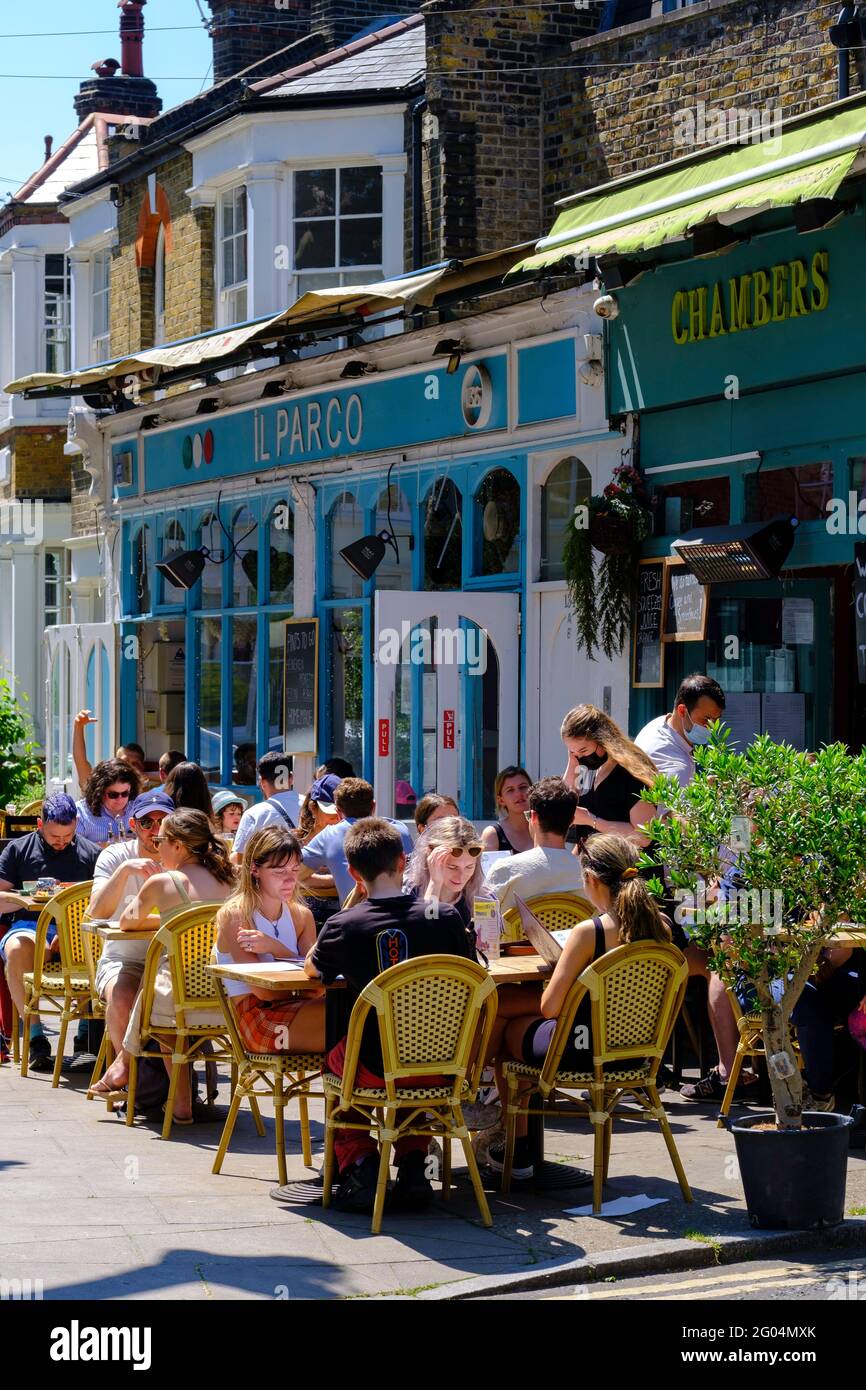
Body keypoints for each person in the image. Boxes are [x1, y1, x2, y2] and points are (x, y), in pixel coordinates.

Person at [303, 818, 475, 1212]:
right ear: (403, 861)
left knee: (336, 1064)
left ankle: (360, 1163)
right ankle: (414, 1163)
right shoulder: (445, 917)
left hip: (374, 1064)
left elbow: (315, 971)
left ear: (352, 873)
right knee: (411, 1055)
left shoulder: (343, 924)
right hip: (442, 1060)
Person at [489, 832, 673, 1179]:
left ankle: (515, 1146)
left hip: (580, 1050)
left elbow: (549, 1007)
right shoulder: (661, 928)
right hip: (637, 1054)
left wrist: (567, 972)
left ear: (590, 880)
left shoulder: (590, 933)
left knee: (508, 1033)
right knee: (511, 1011)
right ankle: (514, 1147)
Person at [98, 810, 236, 1121]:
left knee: (160, 999)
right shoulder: (229, 879)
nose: (156, 846)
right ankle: (131, 1071)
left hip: (179, 996)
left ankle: (128, 1067)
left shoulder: (164, 882)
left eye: (161, 840)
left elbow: (126, 922)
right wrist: (172, 920)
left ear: (177, 845)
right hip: (225, 992)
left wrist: (169, 919)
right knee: (156, 988)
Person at [0, 793, 101, 1073]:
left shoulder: (91, 853)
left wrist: (71, 931)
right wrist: (24, 897)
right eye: (54, 835)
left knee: (89, 945)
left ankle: (85, 1035)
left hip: (78, 927)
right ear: (39, 824)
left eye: (67, 835)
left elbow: (104, 901)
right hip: (30, 925)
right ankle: (35, 1038)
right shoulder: (18, 850)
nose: (61, 841)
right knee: (17, 948)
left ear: (76, 825)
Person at [86, 791, 174, 1098]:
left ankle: (138, 1079)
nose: (156, 830)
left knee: (155, 992)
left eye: (164, 822)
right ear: (134, 824)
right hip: (124, 958)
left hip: (169, 961)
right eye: (148, 822)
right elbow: (95, 911)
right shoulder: (114, 856)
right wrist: (125, 871)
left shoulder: (183, 858)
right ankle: (135, 1084)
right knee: (124, 994)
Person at [215, 827, 325, 1056]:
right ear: (255, 869)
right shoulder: (236, 915)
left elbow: (316, 985)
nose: (289, 879)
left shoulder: (301, 916)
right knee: (350, 1021)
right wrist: (302, 991)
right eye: (279, 871)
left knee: (357, 1019)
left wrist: (275, 947)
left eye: (295, 869)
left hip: (298, 1009)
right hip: (257, 1019)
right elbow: (262, 992)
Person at [299, 778, 413, 907]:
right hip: (406, 916)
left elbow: (295, 873)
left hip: (357, 922)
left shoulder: (329, 835)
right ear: (374, 806)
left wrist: (333, 880)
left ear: (338, 812)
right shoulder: (401, 829)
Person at [560, 705, 659, 850]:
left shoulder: (632, 770)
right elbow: (564, 805)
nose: (580, 756)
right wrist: (573, 762)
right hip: (595, 866)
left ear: (602, 739)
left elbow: (644, 837)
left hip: (628, 868)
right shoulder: (589, 767)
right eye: (573, 751)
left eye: (583, 750)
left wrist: (591, 820)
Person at [485, 777, 586, 914]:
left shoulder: (505, 870)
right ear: (572, 820)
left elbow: (483, 924)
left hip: (514, 936)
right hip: (571, 936)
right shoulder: (588, 876)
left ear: (533, 817)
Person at [634, 674, 726, 789]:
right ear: (682, 711)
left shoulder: (658, 724)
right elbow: (673, 807)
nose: (712, 727)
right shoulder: (677, 767)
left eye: (716, 719)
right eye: (706, 719)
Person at [404, 816, 487, 931]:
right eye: (452, 867)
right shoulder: (409, 892)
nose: (461, 876)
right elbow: (425, 929)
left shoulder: (482, 897)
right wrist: (435, 883)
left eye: (469, 867)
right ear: (431, 857)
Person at [230, 753, 301, 863]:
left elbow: (241, 860)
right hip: (309, 876)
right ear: (291, 778)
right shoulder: (311, 805)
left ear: (261, 782)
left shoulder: (254, 814)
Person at [297, 774, 342, 931]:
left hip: (340, 916)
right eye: (329, 810)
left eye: (340, 810)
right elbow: (287, 877)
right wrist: (335, 879)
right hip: (300, 916)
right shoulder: (292, 841)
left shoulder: (349, 839)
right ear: (312, 808)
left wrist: (309, 878)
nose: (336, 816)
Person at [71, 711, 149, 787]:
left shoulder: (152, 790)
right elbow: (81, 762)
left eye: (135, 764)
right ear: (115, 763)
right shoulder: (103, 788)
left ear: (142, 767)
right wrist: (78, 726)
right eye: (125, 762)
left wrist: (145, 776)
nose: (130, 768)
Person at [75, 758, 141, 848]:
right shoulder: (81, 813)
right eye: (113, 795)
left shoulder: (138, 809)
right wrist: (108, 845)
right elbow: (74, 849)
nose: (120, 799)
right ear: (99, 792)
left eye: (125, 793)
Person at [480, 767, 534, 855]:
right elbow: (486, 868)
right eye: (510, 790)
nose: (518, 794)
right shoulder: (493, 835)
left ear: (532, 791)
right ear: (501, 800)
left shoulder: (546, 830)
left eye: (523, 787)